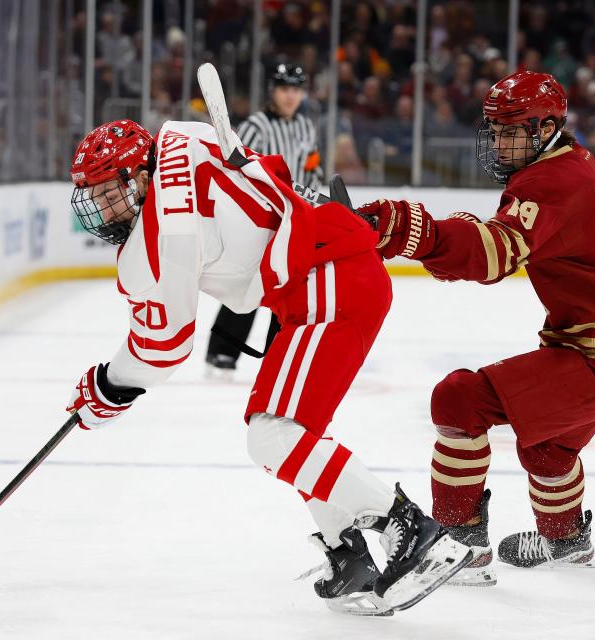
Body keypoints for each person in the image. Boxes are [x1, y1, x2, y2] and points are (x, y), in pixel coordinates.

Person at [65, 118, 470, 614]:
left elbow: (164, 345)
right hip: (325, 270)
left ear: (141, 179)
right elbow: (263, 170)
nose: (99, 208)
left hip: (330, 277)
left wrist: (106, 386)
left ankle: (411, 529)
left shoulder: (158, 241)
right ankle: (349, 552)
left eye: (108, 192)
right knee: (294, 434)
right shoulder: (181, 136)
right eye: (92, 194)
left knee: (273, 435)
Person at [356, 71, 595, 583]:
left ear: (547, 126)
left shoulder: (550, 181)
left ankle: (458, 545)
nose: (501, 143)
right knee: (547, 446)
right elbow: (505, 237)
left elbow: (494, 255)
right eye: (497, 130)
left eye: (514, 131)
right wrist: (447, 234)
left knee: (459, 399)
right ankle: (566, 540)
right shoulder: (569, 160)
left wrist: (407, 229)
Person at [205, 63, 323, 377]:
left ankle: (278, 353)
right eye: (285, 89)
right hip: (260, 216)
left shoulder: (306, 127)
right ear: (273, 91)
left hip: (295, 218)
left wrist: (314, 201)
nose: (290, 96)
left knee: (289, 287)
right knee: (248, 283)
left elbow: (312, 169)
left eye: (296, 89)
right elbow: (236, 166)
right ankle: (221, 351)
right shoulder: (257, 125)